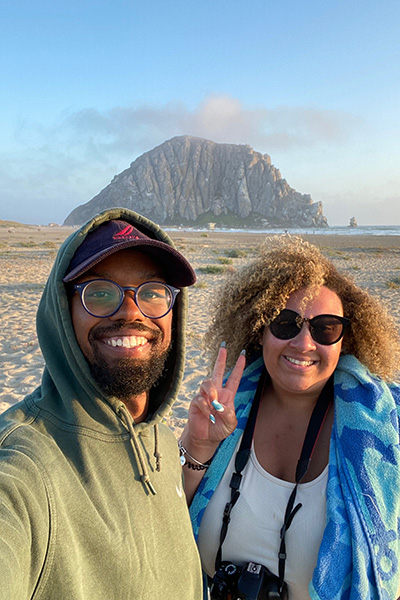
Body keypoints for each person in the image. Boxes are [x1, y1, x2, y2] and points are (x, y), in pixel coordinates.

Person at [179, 236, 400, 600]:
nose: (303, 343)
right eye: (285, 323)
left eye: (325, 328)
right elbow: (167, 515)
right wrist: (199, 444)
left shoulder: (382, 430)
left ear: (346, 339)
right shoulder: (225, 408)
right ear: (260, 331)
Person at [0, 208, 203, 599]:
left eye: (154, 293)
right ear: (63, 311)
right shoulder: (26, 466)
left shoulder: (156, 432)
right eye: (99, 293)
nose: (130, 311)